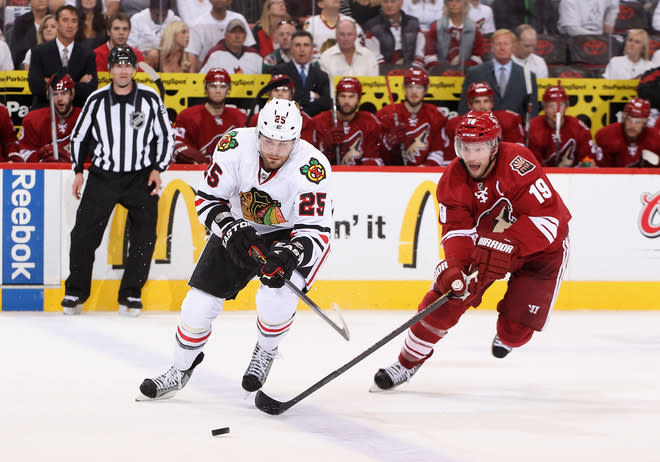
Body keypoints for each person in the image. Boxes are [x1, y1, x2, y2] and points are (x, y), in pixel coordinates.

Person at [136, 98, 334, 400]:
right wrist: (230, 228)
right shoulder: (233, 146)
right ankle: (180, 368)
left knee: (275, 296)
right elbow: (206, 199)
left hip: (291, 233)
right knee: (198, 304)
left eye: (283, 144)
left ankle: (266, 351)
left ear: (296, 139)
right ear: (258, 134)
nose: (274, 151)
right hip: (240, 225)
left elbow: (317, 232)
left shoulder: (312, 167)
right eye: (268, 141)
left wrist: (290, 254)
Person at [372, 110, 572, 390]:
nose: (471, 156)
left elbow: (549, 220)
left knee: (515, 333)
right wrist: (455, 266)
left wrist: (509, 243)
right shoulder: (452, 181)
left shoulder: (518, 162)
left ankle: (507, 336)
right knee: (448, 296)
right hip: (489, 247)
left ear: (494, 146)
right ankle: (406, 363)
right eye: (465, 148)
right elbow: (456, 232)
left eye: (478, 148)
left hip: (541, 251)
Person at [61, 46, 174, 316]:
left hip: (141, 176)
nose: (123, 70)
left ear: (135, 69)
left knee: (145, 237)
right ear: (109, 69)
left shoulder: (149, 98)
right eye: (118, 65)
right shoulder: (97, 100)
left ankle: (131, 293)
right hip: (103, 176)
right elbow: (79, 136)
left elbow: (166, 137)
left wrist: (158, 168)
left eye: (128, 65)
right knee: (83, 235)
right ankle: (75, 291)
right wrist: (78, 170)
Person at [458, 28, 538, 123]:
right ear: (492, 47)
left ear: (513, 47)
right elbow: (464, 108)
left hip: (514, 133)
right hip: (482, 131)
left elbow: (532, 112)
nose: (502, 47)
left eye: (506, 44)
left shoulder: (527, 76)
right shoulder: (475, 73)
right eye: (498, 44)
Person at [27, 5, 98, 109]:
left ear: (78, 25)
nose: (70, 25)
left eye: (74, 21)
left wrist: (50, 82)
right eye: (65, 20)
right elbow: (35, 86)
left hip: (76, 113)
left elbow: (91, 88)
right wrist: (76, 84)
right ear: (57, 23)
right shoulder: (39, 51)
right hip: (45, 110)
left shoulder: (88, 54)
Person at [173, 68, 246, 164]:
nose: (218, 91)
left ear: (228, 90)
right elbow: (177, 145)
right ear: (206, 88)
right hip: (196, 172)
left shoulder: (239, 116)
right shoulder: (187, 116)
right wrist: (199, 159)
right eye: (213, 86)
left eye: (223, 86)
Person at [376, 67, 447, 166]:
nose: (414, 92)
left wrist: (421, 170)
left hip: (423, 175)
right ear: (404, 89)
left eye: (419, 87)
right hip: (394, 172)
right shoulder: (387, 113)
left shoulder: (434, 114)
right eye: (410, 87)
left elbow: (438, 152)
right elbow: (376, 153)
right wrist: (388, 142)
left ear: (425, 90)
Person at [443, 81, 524, 163]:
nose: (482, 106)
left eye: (486, 101)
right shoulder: (456, 125)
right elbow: (449, 157)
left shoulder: (508, 120)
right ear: (470, 104)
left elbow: (518, 151)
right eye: (477, 102)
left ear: (492, 103)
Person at [311, 76, 383, 165]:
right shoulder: (319, 121)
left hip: (359, 176)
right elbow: (309, 160)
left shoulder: (369, 122)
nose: (346, 101)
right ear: (336, 98)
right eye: (343, 96)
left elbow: (373, 158)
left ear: (359, 99)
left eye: (351, 96)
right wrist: (325, 146)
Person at [527, 82, 599, 167]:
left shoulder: (579, 127)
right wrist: (558, 170)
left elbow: (588, 159)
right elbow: (532, 164)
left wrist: (585, 165)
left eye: (560, 105)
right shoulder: (532, 127)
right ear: (544, 108)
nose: (556, 110)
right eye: (551, 105)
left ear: (566, 107)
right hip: (542, 177)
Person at [17, 72, 80, 162]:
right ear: (48, 96)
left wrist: (70, 159)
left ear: (72, 95)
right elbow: (23, 153)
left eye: (64, 93)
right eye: (55, 94)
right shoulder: (33, 119)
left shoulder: (85, 117)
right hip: (45, 174)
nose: (59, 99)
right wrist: (40, 155)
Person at [272, 30, 332, 117]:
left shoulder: (321, 75)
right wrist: (310, 95)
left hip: (312, 122)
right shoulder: (280, 71)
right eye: (297, 45)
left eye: (306, 45)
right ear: (291, 48)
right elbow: (279, 97)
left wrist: (304, 112)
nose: (302, 49)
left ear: (312, 48)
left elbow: (326, 103)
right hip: (285, 119)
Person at [186, 0, 255, 73]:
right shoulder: (199, 24)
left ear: (229, 1)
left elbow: (249, 48)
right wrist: (192, 79)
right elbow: (192, 54)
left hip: (237, 72)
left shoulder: (239, 19)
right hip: (208, 73)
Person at [247, 73, 315, 144]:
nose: (280, 93)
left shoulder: (304, 120)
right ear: (269, 94)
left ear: (291, 94)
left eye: (285, 90)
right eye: (276, 90)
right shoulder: (257, 119)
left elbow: (306, 147)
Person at [595, 97, 660, 168]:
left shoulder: (656, 138)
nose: (632, 126)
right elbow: (601, 172)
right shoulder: (606, 135)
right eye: (629, 120)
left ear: (645, 123)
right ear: (623, 119)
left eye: (638, 122)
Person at [423, 0, 485, 70]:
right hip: (439, 74)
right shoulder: (436, 27)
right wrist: (441, 69)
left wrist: (461, 69)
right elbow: (429, 55)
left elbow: (477, 56)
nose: (453, 4)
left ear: (465, 4)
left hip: (467, 73)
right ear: (446, 4)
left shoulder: (474, 29)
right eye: (450, 1)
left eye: (458, 1)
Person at [363, 0, 425, 69]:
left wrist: (412, 70)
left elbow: (420, 52)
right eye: (385, 2)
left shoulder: (413, 23)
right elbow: (374, 57)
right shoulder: (372, 26)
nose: (389, 5)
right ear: (381, 4)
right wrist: (391, 71)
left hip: (412, 70)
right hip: (383, 72)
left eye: (393, 1)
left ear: (401, 3)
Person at [7, 0, 50, 70]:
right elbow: (16, 53)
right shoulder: (21, 22)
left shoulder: (55, 19)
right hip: (27, 66)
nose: (40, 0)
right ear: (30, 2)